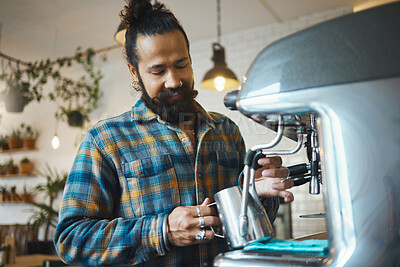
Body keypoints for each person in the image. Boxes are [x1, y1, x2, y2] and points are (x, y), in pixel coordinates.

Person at [53, 0, 294, 266]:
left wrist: (260, 194)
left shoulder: (226, 131)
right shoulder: (104, 140)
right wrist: (163, 230)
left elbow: (248, 223)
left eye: (181, 65)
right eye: (158, 70)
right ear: (135, 73)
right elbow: (71, 240)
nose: (174, 80)